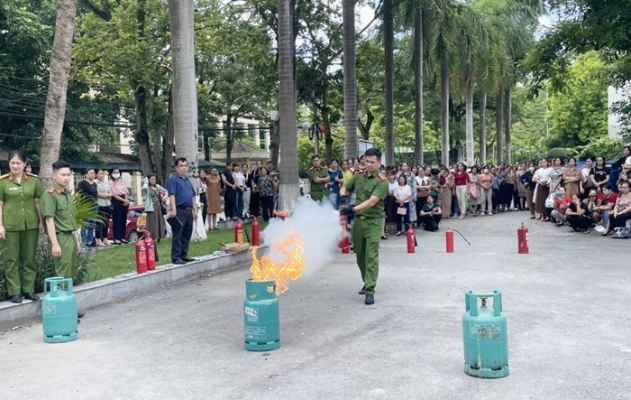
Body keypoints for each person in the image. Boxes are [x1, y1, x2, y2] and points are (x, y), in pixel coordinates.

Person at [340, 148, 388, 306]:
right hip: (359, 223)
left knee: (371, 255)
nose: (368, 165)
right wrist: (344, 196)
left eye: (372, 162)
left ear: (379, 162)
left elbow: (372, 201)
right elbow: (345, 186)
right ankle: (366, 280)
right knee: (360, 255)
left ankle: (370, 290)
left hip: (373, 222)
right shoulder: (358, 177)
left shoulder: (382, 181)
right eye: (366, 161)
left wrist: (352, 208)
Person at [0, 150, 44, 303]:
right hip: (10, 225)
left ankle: (28, 289)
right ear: (9, 164)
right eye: (12, 163)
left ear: (25, 164)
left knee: (29, 259)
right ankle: (14, 292)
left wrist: (40, 222)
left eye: (18, 163)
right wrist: (0, 226)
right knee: (11, 260)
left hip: (30, 224)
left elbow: (37, 203)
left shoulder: (33, 181)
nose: (15, 166)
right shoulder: (3, 181)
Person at [40, 161, 80, 280]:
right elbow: (49, 221)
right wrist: (55, 244)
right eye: (63, 175)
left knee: (70, 273)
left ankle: (68, 296)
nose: (66, 178)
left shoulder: (66, 194)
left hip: (70, 237)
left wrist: (76, 238)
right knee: (63, 274)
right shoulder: (50, 195)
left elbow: (70, 219)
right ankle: (62, 297)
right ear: (54, 176)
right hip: (61, 238)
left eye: (68, 175)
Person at [167, 158, 197, 264]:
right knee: (178, 233)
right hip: (180, 210)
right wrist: (174, 209)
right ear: (176, 167)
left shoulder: (188, 180)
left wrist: (195, 210)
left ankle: (184, 254)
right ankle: (176, 256)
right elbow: (172, 195)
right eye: (181, 166)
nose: (184, 167)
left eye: (185, 165)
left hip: (189, 210)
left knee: (187, 233)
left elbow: (192, 196)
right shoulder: (173, 179)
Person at [141, 174, 167, 254]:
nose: (153, 181)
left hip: (158, 206)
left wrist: (164, 198)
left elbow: (166, 192)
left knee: (159, 221)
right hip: (151, 208)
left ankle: (159, 236)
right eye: (151, 179)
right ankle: (151, 237)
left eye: (154, 179)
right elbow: (143, 189)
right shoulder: (147, 188)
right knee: (152, 223)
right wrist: (145, 181)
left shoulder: (158, 187)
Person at [76, 168, 98, 247]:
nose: (92, 175)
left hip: (94, 206)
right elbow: (78, 194)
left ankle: (90, 241)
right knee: (85, 224)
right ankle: (84, 241)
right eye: (90, 173)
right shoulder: (82, 183)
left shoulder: (95, 184)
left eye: (93, 173)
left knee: (92, 225)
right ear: (86, 174)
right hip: (86, 206)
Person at [109, 168, 130, 244]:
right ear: (111, 173)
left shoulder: (122, 181)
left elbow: (126, 192)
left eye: (117, 172)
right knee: (117, 219)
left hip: (124, 200)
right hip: (116, 200)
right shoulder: (110, 182)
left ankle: (122, 237)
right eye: (114, 172)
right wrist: (123, 200)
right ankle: (117, 237)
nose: (116, 173)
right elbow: (113, 194)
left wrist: (126, 200)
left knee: (123, 219)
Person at [94, 169, 112, 247]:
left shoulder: (106, 182)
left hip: (107, 204)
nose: (101, 175)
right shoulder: (95, 182)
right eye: (100, 173)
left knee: (106, 222)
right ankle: (98, 239)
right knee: (99, 223)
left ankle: (105, 238)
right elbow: (98, 194)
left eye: (102, 173)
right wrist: (106, 195)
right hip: (99, 204)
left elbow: (111, 193)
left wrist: (106, 195)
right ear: (96, 174)